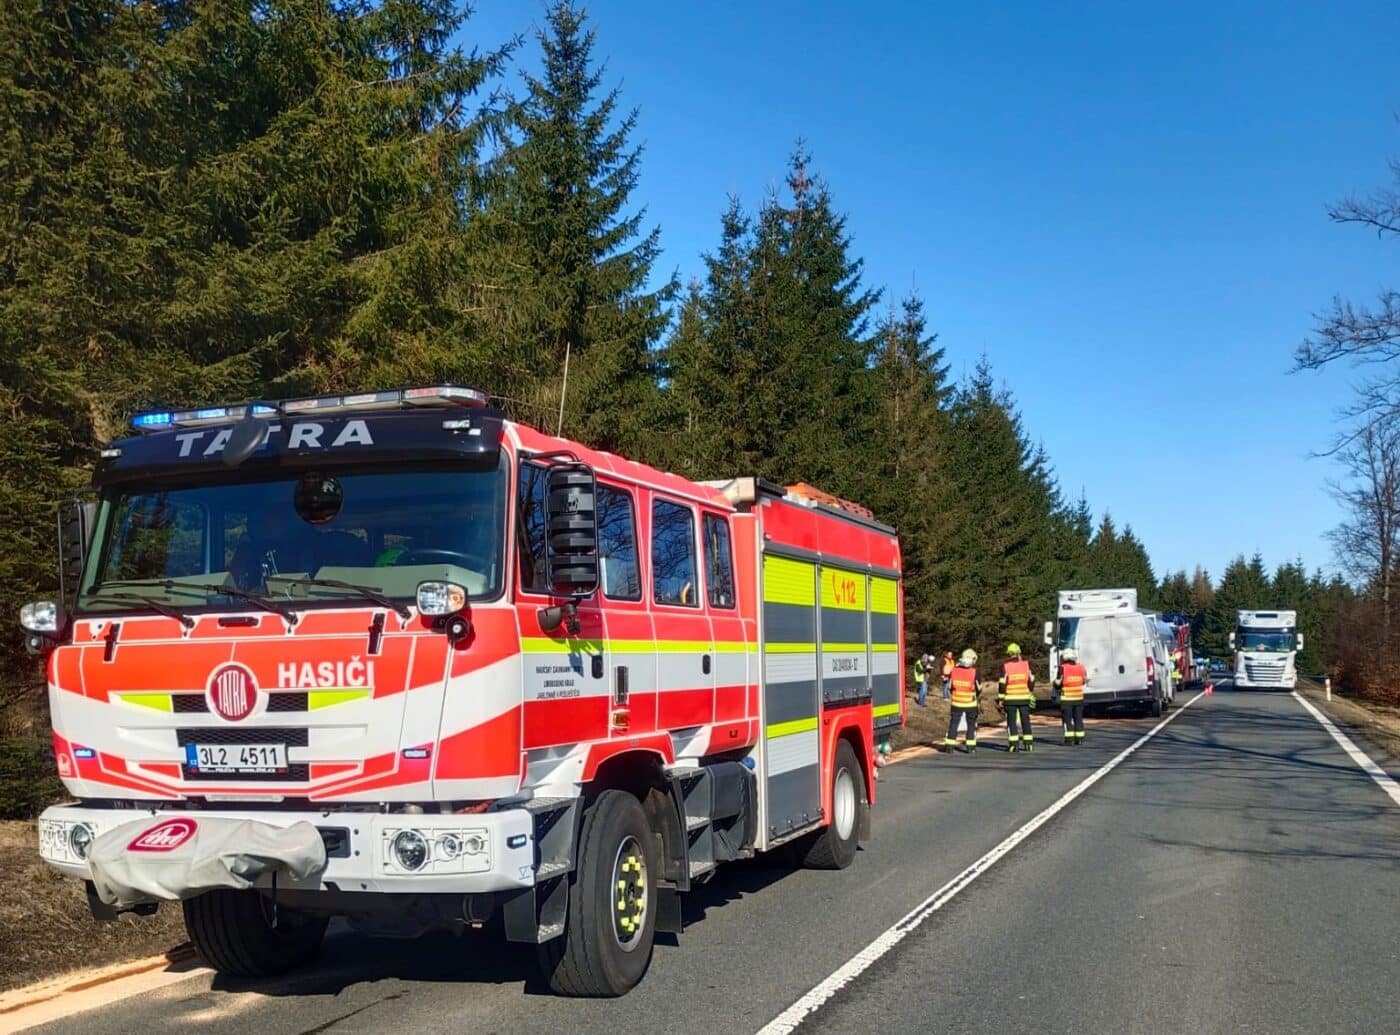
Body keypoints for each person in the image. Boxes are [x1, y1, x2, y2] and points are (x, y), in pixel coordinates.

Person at [998, 642, 1036, 753]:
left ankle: (1013, 745)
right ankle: (1028, 744)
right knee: (1025, 721)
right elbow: (1031, 681)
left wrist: (1001, 699)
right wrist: (1029, 691)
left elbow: (1002, 684)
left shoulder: (1005, 666)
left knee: (1011, 722)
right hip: (1024, 697)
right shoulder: (1026, 665)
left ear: (1009, 653)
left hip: (1010, 699)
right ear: (1019, 652)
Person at [943, 649, 981, 753]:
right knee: (971, 725)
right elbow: (978, 688)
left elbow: (950, 687)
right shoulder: (974, 672)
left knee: (954, 723)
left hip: (956, 702)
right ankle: (970, 747)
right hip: (970, 703)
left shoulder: (954, 670)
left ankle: (949, 746)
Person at [1053, 647, 1088, 746]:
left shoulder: (1062, 668)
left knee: (1067, 720)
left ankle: (1069, 740)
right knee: (1078, 719)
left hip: (1067, 699)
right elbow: (1084, 681)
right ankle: (1079, 739)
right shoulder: (1081, 667)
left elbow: (1058, 683)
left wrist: (1055, 683)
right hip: (1079, 698)